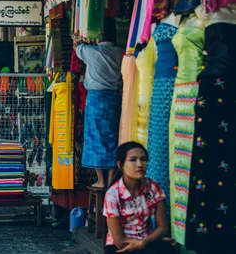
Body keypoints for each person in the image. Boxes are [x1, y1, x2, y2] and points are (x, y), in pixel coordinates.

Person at [74, 18, 123, 188]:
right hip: (114, 99)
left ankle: (101, 180)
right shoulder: (119, 52)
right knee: (112, 138)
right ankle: (109, 181)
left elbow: (77, 47)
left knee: (95, 139)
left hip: (96, 100)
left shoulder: (91, 51)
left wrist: (79, 39)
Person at [103, 141, 174, 254]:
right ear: (120, 165)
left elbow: (163, 227)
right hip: (121, 246)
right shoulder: (112, 195)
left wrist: (144, 242)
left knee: (169, 247)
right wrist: (146, 243)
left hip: (146, 242)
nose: (140, 164)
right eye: (133, 160)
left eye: (143, 159)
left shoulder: (153, 187)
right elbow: (119, 241)